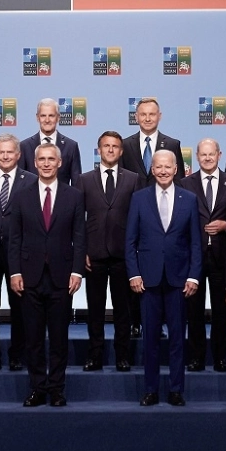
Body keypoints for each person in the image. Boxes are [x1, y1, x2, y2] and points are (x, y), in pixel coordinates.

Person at [9, 142, 86, 407]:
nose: (46, 164)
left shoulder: (74, 196)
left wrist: (77, 271)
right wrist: (14, 271)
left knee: (59, 338)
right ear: (34, 162)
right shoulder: (21, 196)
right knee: (33, 339)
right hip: (29, 276)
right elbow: (15, 238)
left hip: (62, 277)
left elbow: (79, 237)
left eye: (51, 159)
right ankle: (37, 388)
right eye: (41, 159)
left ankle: (56, 389)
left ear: (60, 163)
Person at [127, 151, 202, 407]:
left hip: (178, 280)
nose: (163, 171)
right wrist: (134, 273)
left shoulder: (189, 199)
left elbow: (195, 242)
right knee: (150, 339)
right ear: (152, 169)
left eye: (167, 167)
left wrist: (193, 276)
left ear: (175, 169)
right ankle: (150, 390)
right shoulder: (139, 198)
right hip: (147, 280)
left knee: (178, 339)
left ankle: (176, 390)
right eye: (158, 167)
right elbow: (130, 241)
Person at [178, 138, 226, 372]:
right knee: (193, 311)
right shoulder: (185, 184)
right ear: (197, 156)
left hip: (222, 256)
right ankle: (196, 357)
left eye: (211, 154)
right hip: (193, 258)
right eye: (203, 154)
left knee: (220, 311)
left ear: (219, 155)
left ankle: (220, 358)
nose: (207, 158)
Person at [78, 131, 138, 372]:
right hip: (93, 255)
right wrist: (81, 250)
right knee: (95, 310)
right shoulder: (83, 179)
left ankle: (122, 356)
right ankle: (95, 356)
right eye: (106, 146)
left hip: (123, 254)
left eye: (115, 146)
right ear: (99, 150)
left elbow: (138, 217)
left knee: (123, 311)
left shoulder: (133, 179)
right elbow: (77, 220)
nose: (110, 150)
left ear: (121, 151)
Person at [0, 134, 36, 372]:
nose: (5, 156)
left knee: (20, 308)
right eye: (1, 152)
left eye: (9, 152)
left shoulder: (31, 180)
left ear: (18, 155)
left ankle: (17, 355)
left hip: (20, 254)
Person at [19, 98, 81, 187]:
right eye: (43, 116)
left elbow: (77, 184)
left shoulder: (71, 146)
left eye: (51, 116)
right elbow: (20, 182)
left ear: (58, 117)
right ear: (37, 118)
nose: (47, 120)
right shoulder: (25, 146)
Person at [120, 98, 184, 185]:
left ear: (159, 116)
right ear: (136, 117)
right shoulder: (125, 145)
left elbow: (179, 181)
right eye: (143, 114)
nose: (147, 119)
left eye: (152, 114)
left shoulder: (172, 145)